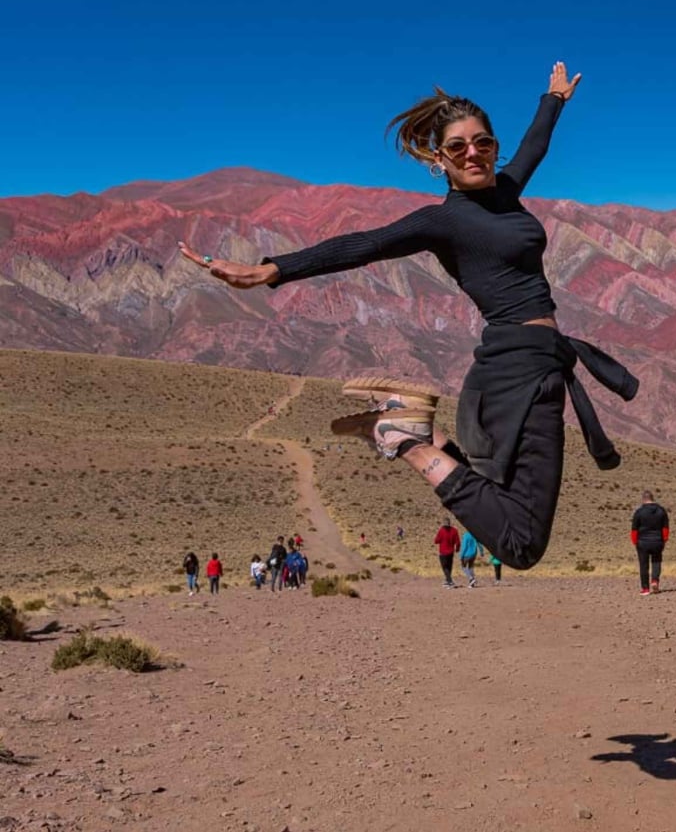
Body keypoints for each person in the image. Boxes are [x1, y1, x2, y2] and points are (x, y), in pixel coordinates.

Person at [179, 62, 637, 573]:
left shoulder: (505, 194)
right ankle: (412, 443)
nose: (472, 153)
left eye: (482, 143)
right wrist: (271, 270)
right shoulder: (443, 220)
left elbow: (534, 147)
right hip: (518, 372)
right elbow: (364, 244)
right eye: (458, 147)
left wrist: (553, 100)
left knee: (503, 508)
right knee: (520, 542)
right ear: (439, 160)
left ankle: (423, 436)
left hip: (528, 367)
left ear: (494, 147)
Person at [630, 490, 670, 595]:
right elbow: (665, 528)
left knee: (644, 565)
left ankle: (645, 589)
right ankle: (655, 580)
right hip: (658, 541)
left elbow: (634, 529)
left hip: (642, 542)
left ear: (643, 499)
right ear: (652, 498)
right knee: (656, 562)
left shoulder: (639, 512)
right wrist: (664, 540)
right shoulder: (661, 511)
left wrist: (635, 542)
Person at [435, 518, 461, 589]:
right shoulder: (454, 530)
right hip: (451, 552)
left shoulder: (441, 530)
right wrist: (457, 549)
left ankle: (450, 581)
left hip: (443, 552)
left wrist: (439, 540)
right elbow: (458, 542)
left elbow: (436, 540)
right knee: (449, 566)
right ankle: (447, 581)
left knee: (445, 567)